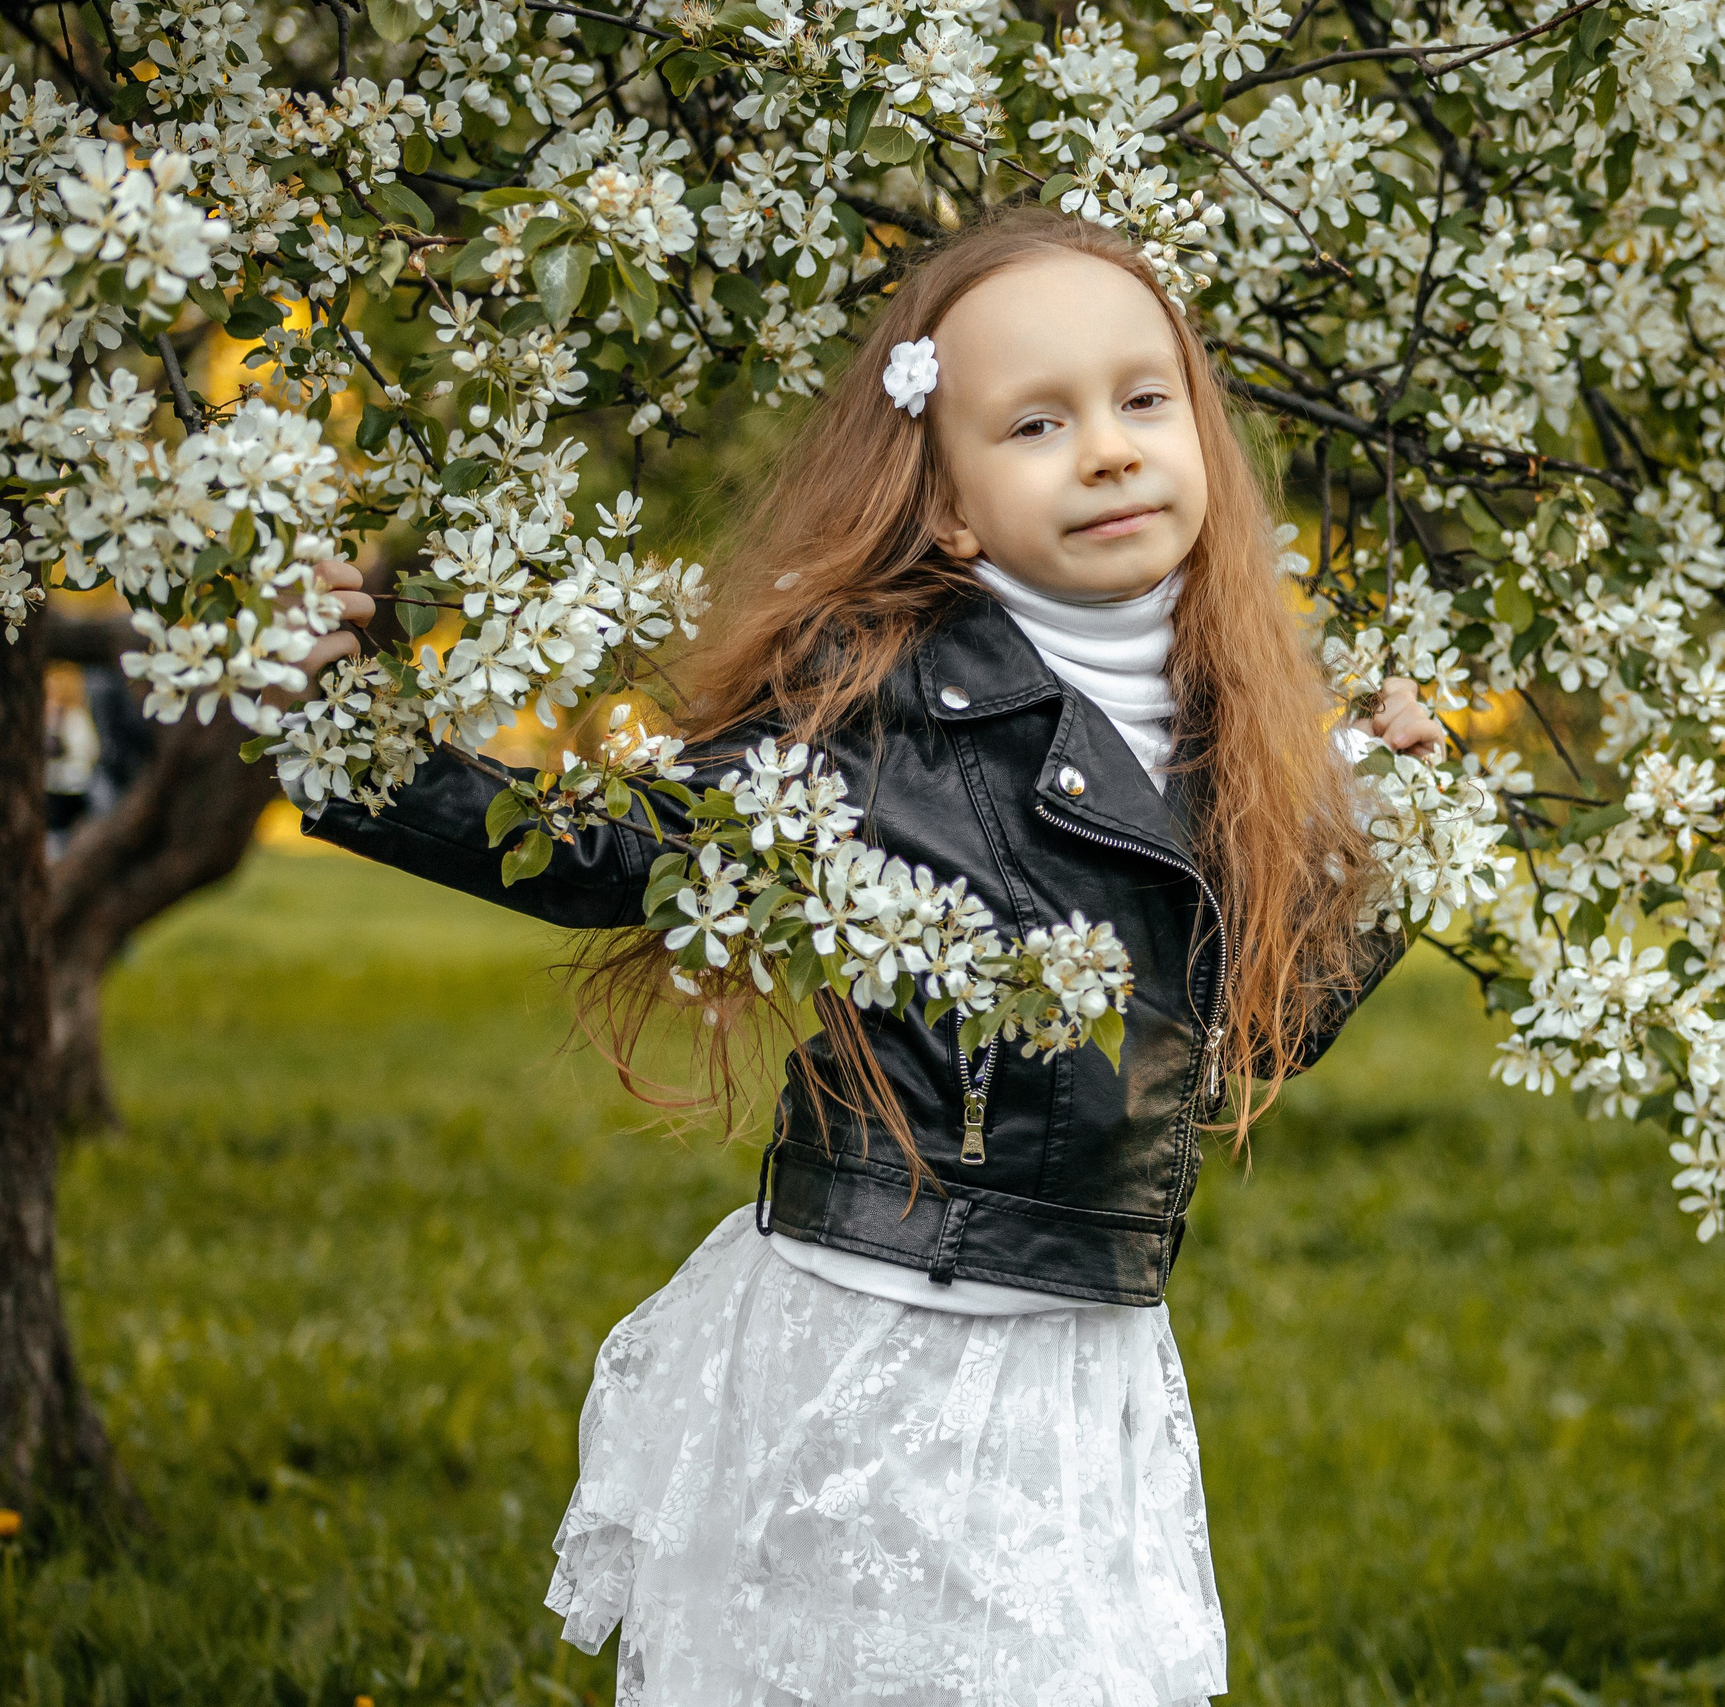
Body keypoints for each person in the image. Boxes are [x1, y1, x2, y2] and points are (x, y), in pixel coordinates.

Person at [286, 209, 1446, 1706]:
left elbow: (1246, 1039)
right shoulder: (869, 707)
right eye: (1036, 422)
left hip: (1084, 1356)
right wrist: (349, 736)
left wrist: (1381, 852)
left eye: (1144, 399)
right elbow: (606, 852)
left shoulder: (1245, 724)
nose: (1106, 448)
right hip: (888, 1343)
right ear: (949, 504)